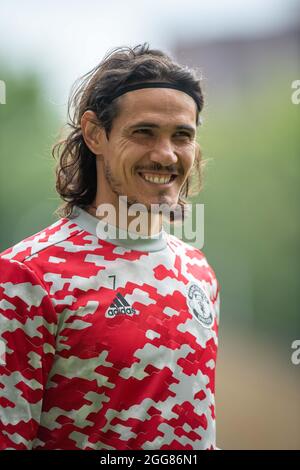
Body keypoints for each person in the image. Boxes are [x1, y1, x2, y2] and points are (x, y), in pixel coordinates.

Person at [0, 44, 220, 450]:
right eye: (144, 132)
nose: (166, 154)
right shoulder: (25, 277)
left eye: (182, 136)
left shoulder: (198, 271)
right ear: (94, 133)